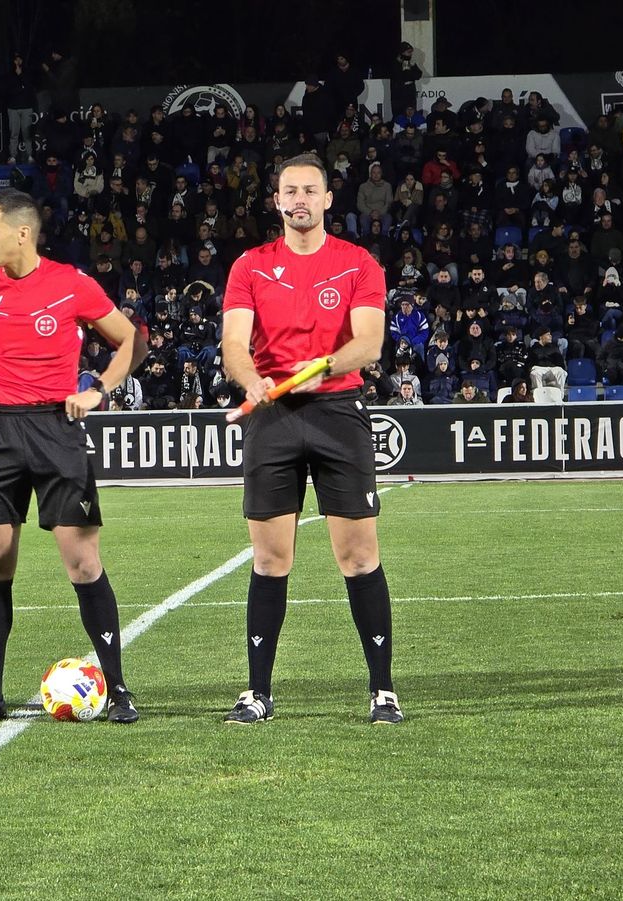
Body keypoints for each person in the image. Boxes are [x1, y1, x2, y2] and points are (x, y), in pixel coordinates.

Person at [0, 187, 142, 724]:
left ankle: (118, 689)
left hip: (57, 428)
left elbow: (130, 340)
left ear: (22, 233)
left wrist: (98, 390)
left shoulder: (71, 283)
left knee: (83, 563)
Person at [218, 152, 402, 726]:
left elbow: (368, 344)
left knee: (359, 556)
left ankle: (383, 692)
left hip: (337, 412)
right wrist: (253, 380)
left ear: (327, 200)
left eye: (309, 191)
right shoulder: (250, 266)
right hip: (272, 416)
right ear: (277, 201)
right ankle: (258, 693)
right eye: (290, 191)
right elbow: (234, 346)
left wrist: (322, 369)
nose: (300, 200)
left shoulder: (358, 264)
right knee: (270, 559)